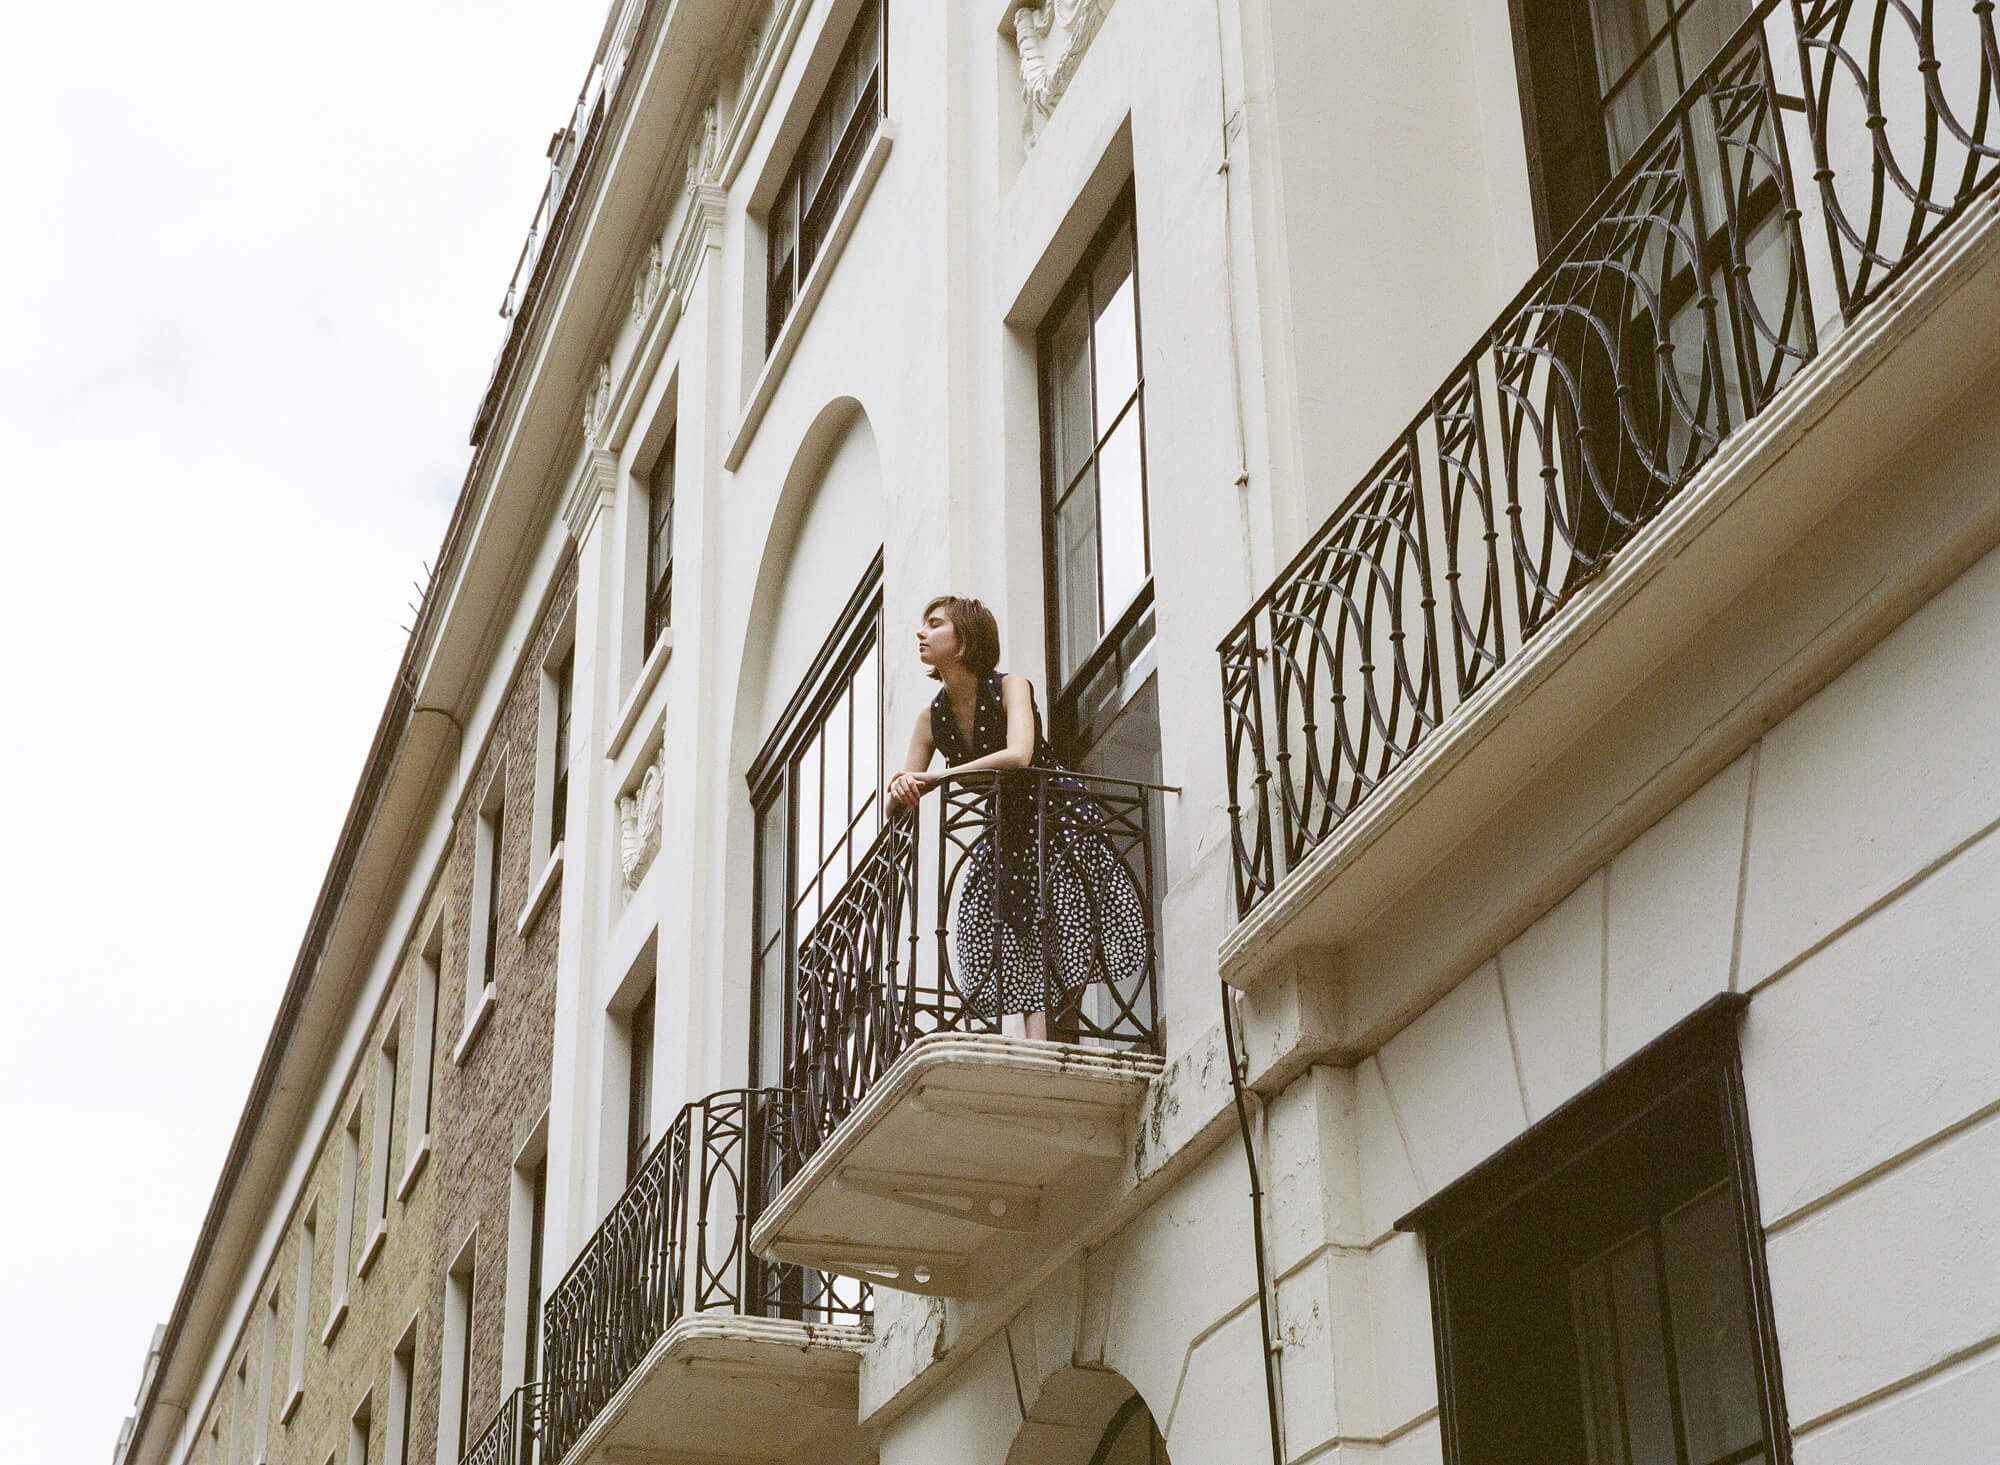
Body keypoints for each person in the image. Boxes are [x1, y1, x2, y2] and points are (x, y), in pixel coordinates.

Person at [887, 594, 1149, 1040]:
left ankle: (1060, 1039)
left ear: (965, 639)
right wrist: (900, 789)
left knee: (1065, 924)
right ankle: (1040, 1043)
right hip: (1006, 829)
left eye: (935, 623)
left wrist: (934, 778)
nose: (921, 632)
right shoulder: (931, 719)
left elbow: (1019, 755)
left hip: (1056, 818)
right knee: (1011, 926)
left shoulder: (1011, 686)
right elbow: (898, 800)